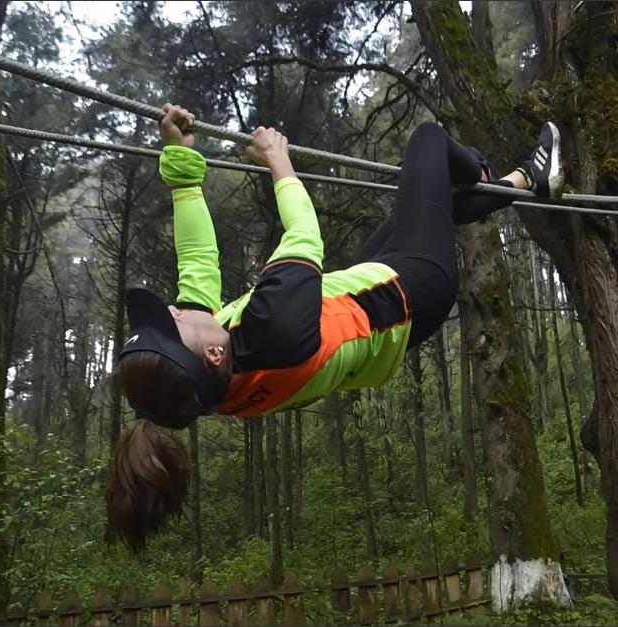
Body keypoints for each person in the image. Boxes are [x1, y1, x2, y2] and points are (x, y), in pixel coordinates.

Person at [106, 103, 563, 549]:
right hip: (414, 289)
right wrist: (276, 158)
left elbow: (197, 266)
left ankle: (519, 181)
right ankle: (486, 173)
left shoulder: (206, 384)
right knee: (428, 141)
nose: (174, 308)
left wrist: (182, 165)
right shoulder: (276, 332)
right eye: (173, 322)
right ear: (211, 354)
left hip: (370, 296)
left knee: (429, 200)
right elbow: (304, 232)